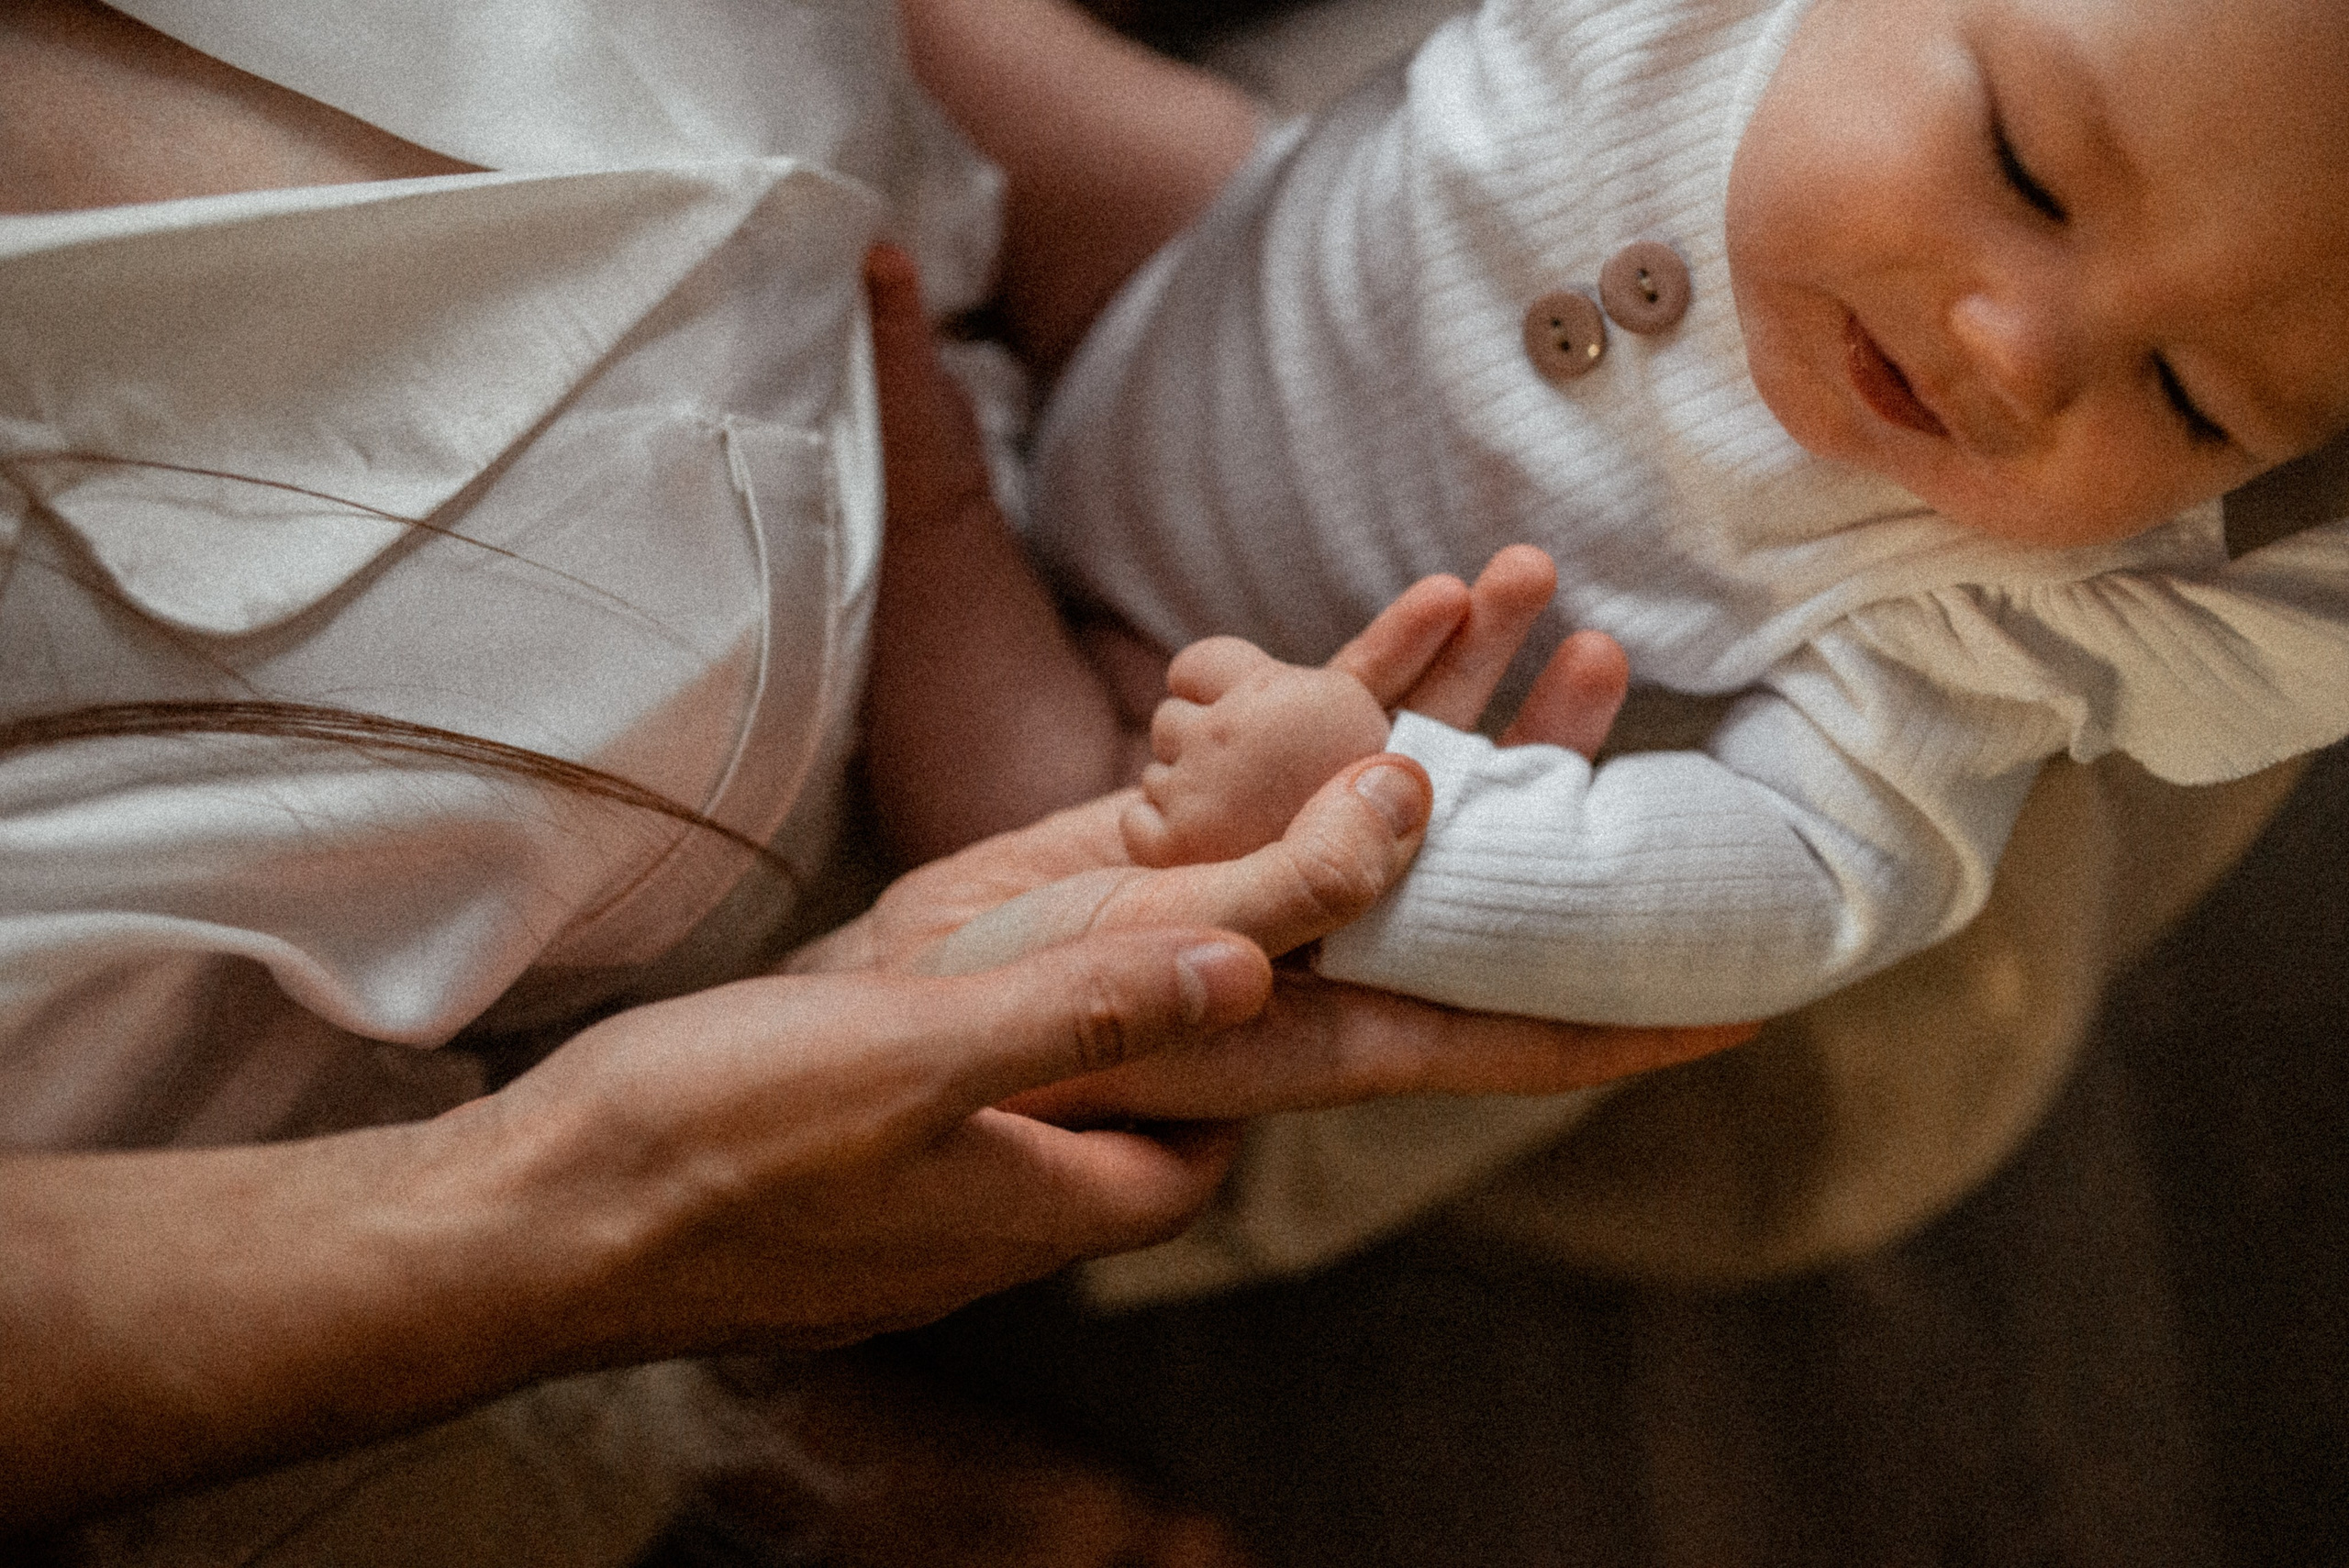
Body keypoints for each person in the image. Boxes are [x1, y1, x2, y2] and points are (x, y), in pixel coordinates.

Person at [0, 1, 1743, 1561]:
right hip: (851, 814)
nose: (2017, 345)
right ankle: (691, 1420)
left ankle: (711, 1403)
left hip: (946, 203)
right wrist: (549, 1230)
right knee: (1853, 1045)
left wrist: (1164, 204)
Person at [890, 0, 2349, 1036]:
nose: (2025, 356)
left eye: (2191, 400)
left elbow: (1805, 875)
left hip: (1168, 693)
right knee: (938, 38)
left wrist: (1385, 820)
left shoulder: (1991, 597)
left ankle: (919, 503)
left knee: (1061, 872)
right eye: (2026, 167)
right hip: (1203, 238)